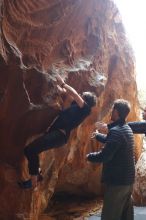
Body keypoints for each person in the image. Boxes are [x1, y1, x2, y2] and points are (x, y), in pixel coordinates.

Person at [20, 74, 97, 189]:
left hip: (59, 135)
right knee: (29, 150)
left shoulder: (85, 110)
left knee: (31, 149)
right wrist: (58, 87)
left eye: (82, 96)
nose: (80, 96)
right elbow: (66, 95)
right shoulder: (75, 108)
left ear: (85, 101)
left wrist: (63, 83)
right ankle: (37, 174)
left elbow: (74, 94)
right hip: (55, 134)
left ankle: (33, 181)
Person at [87, 99, 135, 220]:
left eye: (112, 109)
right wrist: (98, 135)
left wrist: (89, 156)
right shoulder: (126, 128)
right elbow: (114, 142)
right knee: (125, 216)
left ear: (116, 112)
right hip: (127, 180)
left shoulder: (116, 132)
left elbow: (105, 156)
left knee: (110, 216)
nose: (110, 112)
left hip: (117, 183)